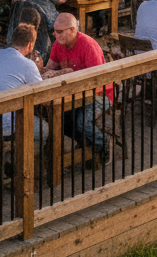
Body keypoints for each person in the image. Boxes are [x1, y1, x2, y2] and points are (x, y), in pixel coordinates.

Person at [42, 14, 111, 164]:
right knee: (58, 120)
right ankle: (86, 144)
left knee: (82, 123)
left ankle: (103, 144)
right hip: (73, 94)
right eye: (55, 31)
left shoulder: (88, 46)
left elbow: (98, 82)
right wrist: (39, 68)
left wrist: (67, 75)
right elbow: (49, 68)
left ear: (73, 30)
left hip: (100, 93)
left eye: (60, 32)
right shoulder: (58, 44)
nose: (55, 35)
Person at [0, 23, 48, 140]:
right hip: (4, 129)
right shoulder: (28, 64)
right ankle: (35, 157)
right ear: (30, 45)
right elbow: (42, 93)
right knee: (45, 129)